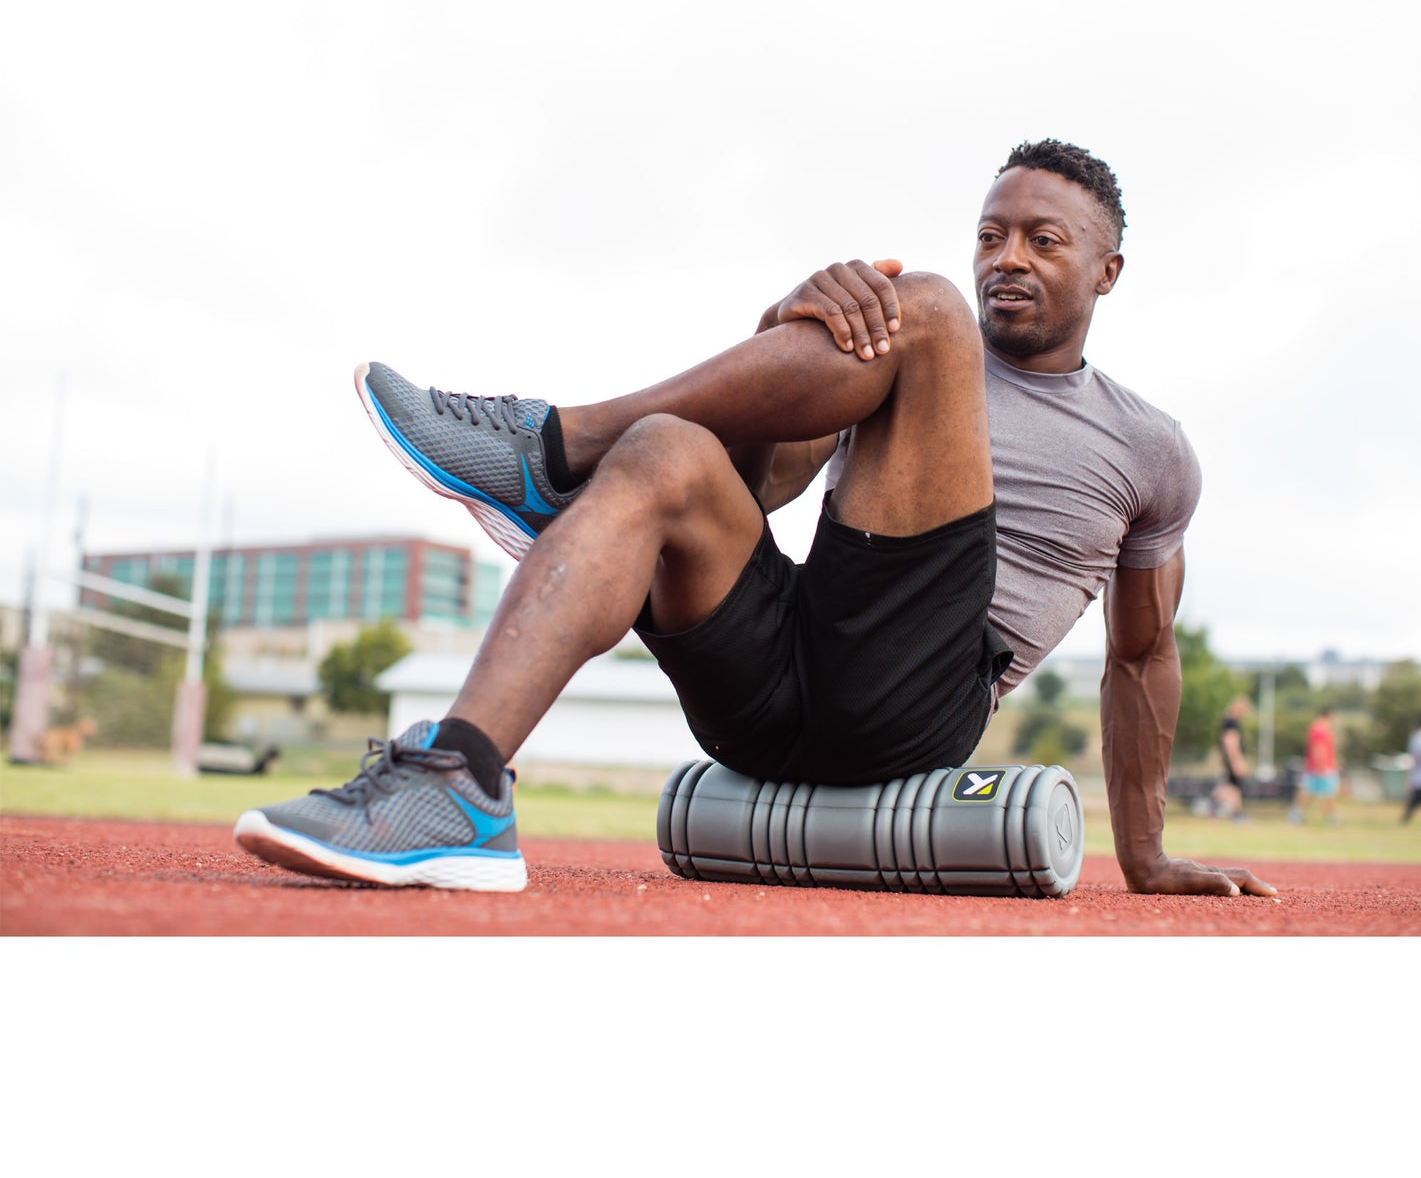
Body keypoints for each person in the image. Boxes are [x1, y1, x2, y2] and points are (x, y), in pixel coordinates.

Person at [235, 138, 1274, 900]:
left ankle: (553, 451)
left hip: (913, 700)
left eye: (1042, 240)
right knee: (664, 455)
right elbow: (756, 486)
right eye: (990, 234)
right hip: (767, 686)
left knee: (917, 311)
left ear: (1105, 271)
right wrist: (784, 328)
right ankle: (455, 780)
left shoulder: (1145, 446)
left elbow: (1139, 655)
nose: (1005, 256)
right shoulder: (893, 353)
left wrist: (1146, 857)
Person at [1289, 706, 1340, 823]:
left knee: (1310, 791)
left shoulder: (1319, 728)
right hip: (1321, 767)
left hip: (1320, 766)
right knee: (1325, 792)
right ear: (1330, 715)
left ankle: (1296, 814)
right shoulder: (1320, 729)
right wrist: (1321, 766)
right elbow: (1318, 748)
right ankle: (1330, 817)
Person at [1211, 696, 1252, 821]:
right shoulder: (1231, 722)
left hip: (1228, 759)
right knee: (1234, 787)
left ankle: (1213, 805)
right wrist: (1236, 761)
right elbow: (1230, 742)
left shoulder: (1227, 721)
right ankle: (1236, 814)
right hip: (1231, 759)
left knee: (1229, 785)